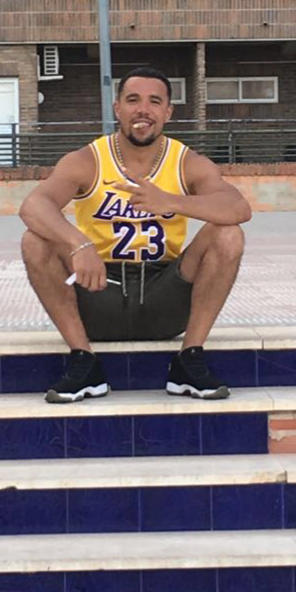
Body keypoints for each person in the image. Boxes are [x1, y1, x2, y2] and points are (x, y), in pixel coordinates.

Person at [19, 66, 251, 403]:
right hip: (99, 291)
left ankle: (189, 359)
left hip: (164, 295)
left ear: (168, 112)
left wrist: (171, 201)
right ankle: (83, 361)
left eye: (154, 101)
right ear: (117, 108)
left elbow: (238, 208)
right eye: (132, 100)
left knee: (227, 234)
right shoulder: (88, 160)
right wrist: (79, 243)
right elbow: (33, 206)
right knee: (34, 240)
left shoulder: (185, 161)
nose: (143, 110)